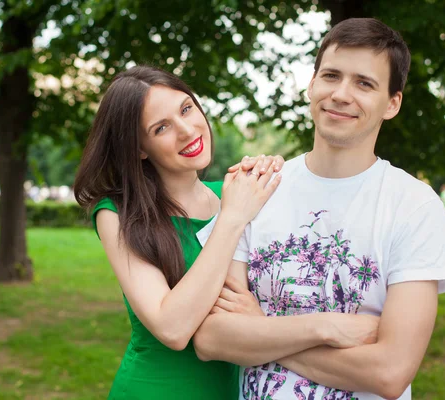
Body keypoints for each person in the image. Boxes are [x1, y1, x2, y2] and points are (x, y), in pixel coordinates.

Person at [193, 18, 445, 400]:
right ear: (311, 85)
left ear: (392, 103)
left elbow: (389, 373)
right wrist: (326, 327)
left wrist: (262, 328)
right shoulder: (257, 188)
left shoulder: (414, 206)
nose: (340, 94)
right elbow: (211, 338)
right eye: (331, 76)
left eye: (364, 83)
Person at [73, 66, 377, 400]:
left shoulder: (237, 193)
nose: (187, 130)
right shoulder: (117, 213)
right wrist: (231, 217)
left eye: (186, 109)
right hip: (155, 389)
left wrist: (279, 177)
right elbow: (171, 328)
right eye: (161, 128)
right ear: (139, 148)